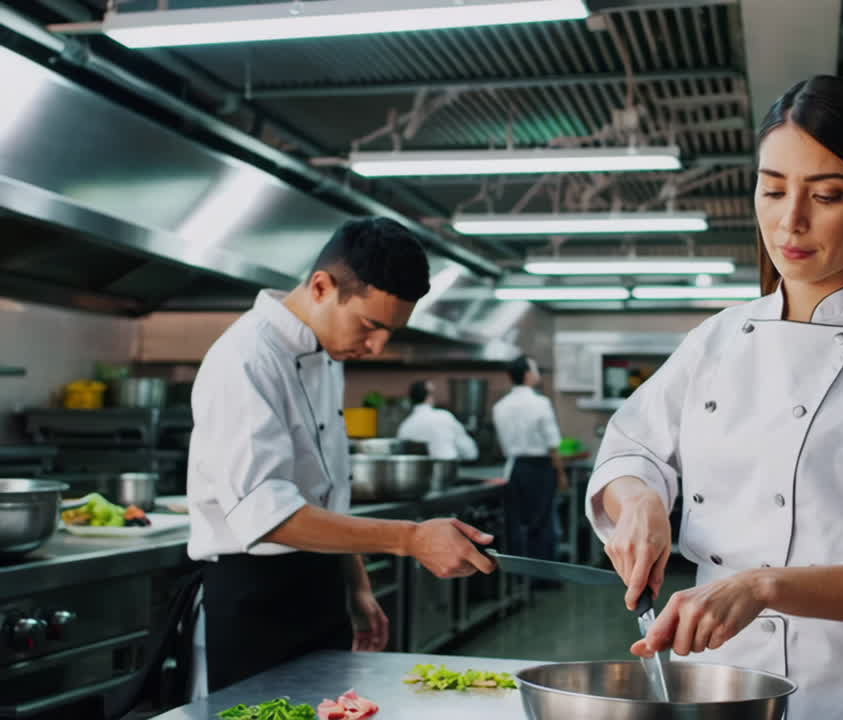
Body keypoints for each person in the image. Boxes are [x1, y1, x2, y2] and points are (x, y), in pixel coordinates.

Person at [585, 76, 843, 718]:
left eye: (827, 194)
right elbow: (630, 448)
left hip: (838, 694)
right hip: (708, 683)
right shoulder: (717, 340)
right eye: (773, 188)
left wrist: (762, 587)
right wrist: (639, 500)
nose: (791, 221)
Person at [187, 217, 496, 694]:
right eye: (371, 325)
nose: (376, 346)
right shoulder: (245, 358)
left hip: (320, 581)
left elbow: (326, 489)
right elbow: (264, 515)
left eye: (391, 331)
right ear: (321, 287)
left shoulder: (327, 354)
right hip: (257, 598)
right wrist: (410, 538)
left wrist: (354, 583)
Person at [492, 355, 567, 568]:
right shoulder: (540, 403)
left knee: (516, 523)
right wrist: (561, 473)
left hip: (515, 468)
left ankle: (519, 576)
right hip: (540, 468)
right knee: (543, 523)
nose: (537, 374)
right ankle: (543, 578)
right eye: (535, 370)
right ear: (526, 375)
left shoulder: (500, 406)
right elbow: (553, 444)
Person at [395, 380, 479, 461]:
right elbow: (470, 452)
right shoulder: (444, 417)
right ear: (429, 396)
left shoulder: (404, 426)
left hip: (418, 473)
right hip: (448, 470)